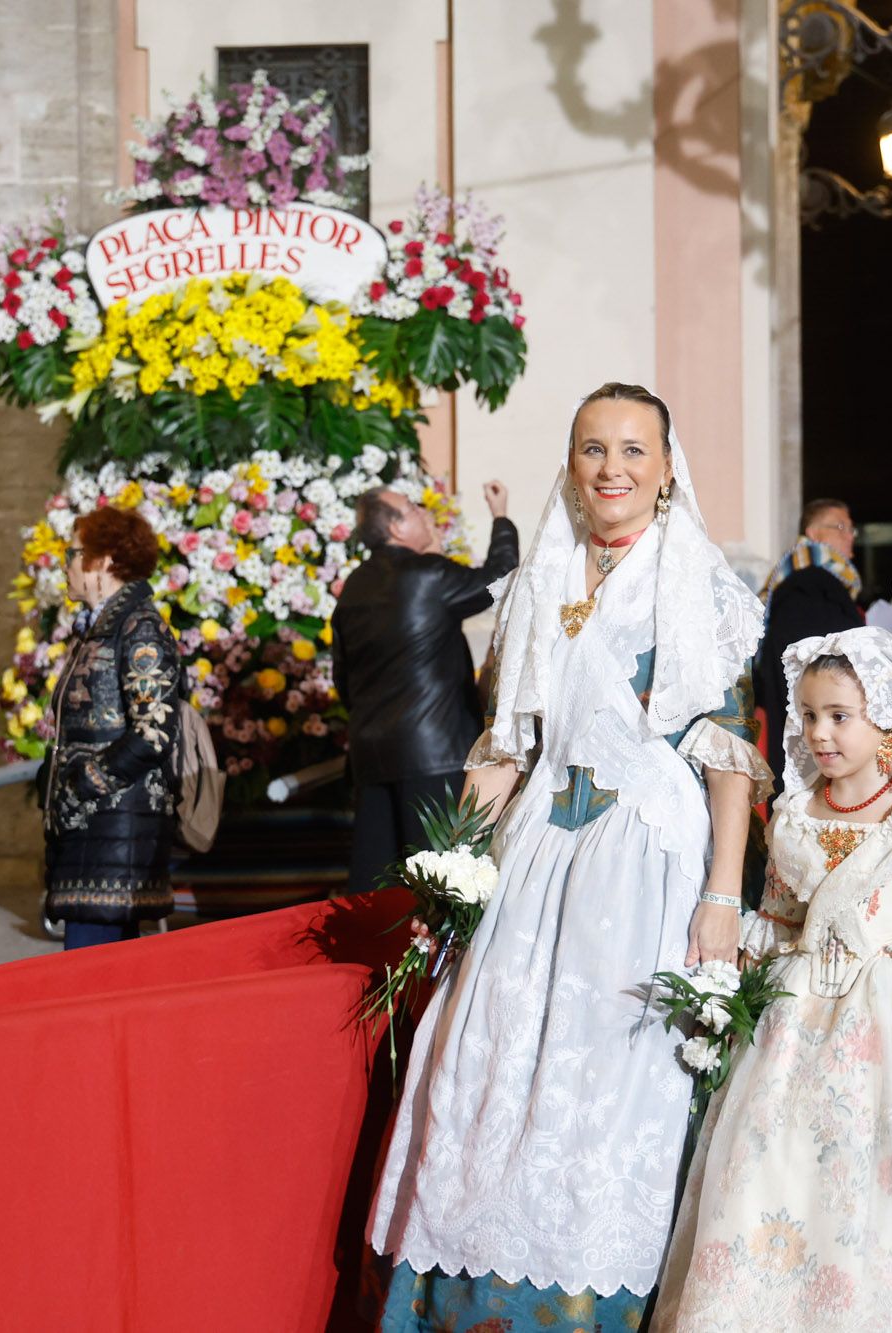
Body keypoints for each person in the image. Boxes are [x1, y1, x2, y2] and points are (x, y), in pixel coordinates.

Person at [368, 383, 770, 1329]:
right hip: (541, 853)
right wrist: (456, 868)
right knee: (492, 1061)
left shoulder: (700, 583)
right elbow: (506, 747)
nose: (612, 469)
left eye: (635, 450)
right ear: (571, 463)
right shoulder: (541, 580)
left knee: (618, 1083)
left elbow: (727, 756)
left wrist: (721, 895)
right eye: (594, 449)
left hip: (646, 860)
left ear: (669, 469)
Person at [652, 627, 892, 1331]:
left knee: (871, 1186)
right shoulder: (793, 815)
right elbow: (779, 919)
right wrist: (730, 1003)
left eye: (840, 715)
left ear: (887, 720)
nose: (819, 733)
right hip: (797, 1030)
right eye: (808, 714)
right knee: (768, 1163)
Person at [330, 480, 517, 898]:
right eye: (413, 510)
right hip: (434, 757)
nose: (423, 513)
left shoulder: (355, 587)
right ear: (396, 528)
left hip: (371, 758)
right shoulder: (427, 574)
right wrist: (501, 517)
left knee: (376, 890)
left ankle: (369, 965)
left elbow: (342, 677)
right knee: (439, 884)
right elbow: (500, 577)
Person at [42, 505, 181, 949]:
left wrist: (84, 782)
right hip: (97, 833)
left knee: (90, 977)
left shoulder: (138, 628)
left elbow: (154, 732)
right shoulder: (105, 628)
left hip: (115, 832)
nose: (66, 564)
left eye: (73, 552)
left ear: (102, 561)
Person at [756, 498, 866, 793]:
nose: (849, 537)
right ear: (814, 533)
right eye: (841, 527)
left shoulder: (794, 581)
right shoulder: (812, 581)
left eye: (852, 530)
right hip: (820, 726)